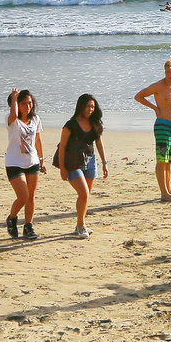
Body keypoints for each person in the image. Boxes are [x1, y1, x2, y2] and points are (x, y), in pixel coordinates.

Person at [58, 93, 109, 238]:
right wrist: (62, 168)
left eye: (92, 107)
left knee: (85, 196)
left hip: (90, 161)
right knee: (84, 193)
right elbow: (62, 147)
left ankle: (80, 223)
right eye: (87, 106)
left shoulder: (95, 124)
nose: (90, 109)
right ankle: (81, 226)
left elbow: (99, 144)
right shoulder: (71, 125)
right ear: (81, 106)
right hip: (73, 162)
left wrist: (104, 163)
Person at [134, 59, 171, 202]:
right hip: (162, 125)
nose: (169, 75)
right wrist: (155, 108)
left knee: (169, 160)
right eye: (167, 72)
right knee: (162, 159)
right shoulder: (158, 86)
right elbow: (139, 96)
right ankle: (163, 193)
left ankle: (169, 190)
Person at [5, 89, 45, 239]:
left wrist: (41, 160)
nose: (28, 106)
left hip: (32, 162)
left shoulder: (35, 119)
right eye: (24, 103)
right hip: (14, 163)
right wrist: (14, 98)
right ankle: (12, 218)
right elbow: (13, 115)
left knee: (31, 196)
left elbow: (38, 140)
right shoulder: (12, 120)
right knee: (23, 196)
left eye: (30, 103)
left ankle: (28, 226)